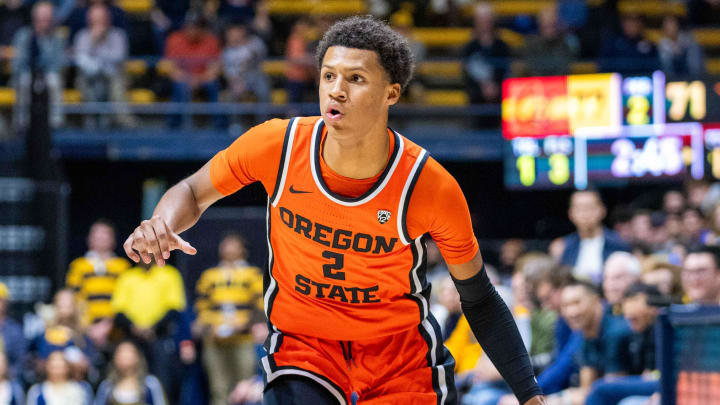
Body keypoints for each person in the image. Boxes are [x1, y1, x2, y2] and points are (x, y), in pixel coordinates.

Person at [122, 16, 545, 405]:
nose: (336, 90)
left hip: (398, 355)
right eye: (328, 76)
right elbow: (193, 192)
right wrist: (160, 222)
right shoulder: (276, 146)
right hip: (304, 346)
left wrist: (530, 395)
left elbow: (480, 298)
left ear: (391, 93)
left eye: (355, 78)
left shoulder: (429, 186)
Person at [195, 233, 264, 405]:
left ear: (243, 249)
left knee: (245, 388)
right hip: (215, 339)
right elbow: (201, 305)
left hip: (243, 340)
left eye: (233, 244)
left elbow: (261, 305)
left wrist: (244, 324)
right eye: (225, 244)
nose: (228, 248)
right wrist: (210, 325)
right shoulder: (209, 275)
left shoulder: (253, 274)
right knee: (218, 389)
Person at [545, 279, 632, 405]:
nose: (571, 312)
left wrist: (560, 400)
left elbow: (610, 391)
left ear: (596, 301)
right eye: (565, 306)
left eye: (577, 303)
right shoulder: (584, 334)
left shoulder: (616, 331)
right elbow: (586, 388)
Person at [111, 260, 187, 403]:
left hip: (160, 337)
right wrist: (135, 327)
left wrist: (153, 328)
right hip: (133, 338)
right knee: (127, 378)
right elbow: (118, 311)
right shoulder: (127, 276)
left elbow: (174, 309)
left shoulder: (170, 274)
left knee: (164, 382)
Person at [583, 283, 662, 405]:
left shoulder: (664, 329)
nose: (629, 308)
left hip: (664, 383)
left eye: (635, 300)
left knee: (600, 389)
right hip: (648, 382)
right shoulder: (636, 334)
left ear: (653, 308)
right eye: (626, 301)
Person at [66, 219, 131, 348]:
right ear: (89, 239)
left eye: (105, 234)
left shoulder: (123, 266)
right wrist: (88, 327)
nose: (100, 237)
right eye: (96, 234)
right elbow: (75, 297)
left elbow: (125, 300)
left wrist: (108, 324)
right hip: (85, 333)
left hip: (116, 332)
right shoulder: (78, 266)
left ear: (113, 240)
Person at [73, 3, 134, 129]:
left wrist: (98, 54)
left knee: (117, 82)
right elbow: (80, 60)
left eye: (101, 19)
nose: (98, 23)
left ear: (108, 19)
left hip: (112, 76)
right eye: (95, 19)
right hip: (89, 77)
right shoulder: (82, 36)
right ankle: (92, 121)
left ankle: (123, 122)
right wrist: (93, 42)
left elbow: (119, 57)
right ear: (89, 20)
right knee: (86, 82)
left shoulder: (118, 35)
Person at [11, 1, 65, 130]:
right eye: (41, 19)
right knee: (25, 80)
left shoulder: (57, 38)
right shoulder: (23, 35)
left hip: (48, 74)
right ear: (34, 18)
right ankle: (23, 123)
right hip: (27, 73)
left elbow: (58, 63)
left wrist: (42, 72)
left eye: (47, 19)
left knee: (54, 80)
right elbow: (18, 63)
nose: (43, 22)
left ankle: (54, 123)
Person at [164, 12, 222, 128]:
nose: (192, 30)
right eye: (189, 26)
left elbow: (215, 69)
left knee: (213, 85)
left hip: (203, 79)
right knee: (179, 87)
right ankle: (173, 125)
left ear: (202, 29)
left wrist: (198, 80)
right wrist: (188, 79)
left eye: (196, 27)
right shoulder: (174, 39)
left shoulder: (211, 40)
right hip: (183, 78)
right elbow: (170, 68)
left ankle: (219, 125)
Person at [560, 190, 631, 285]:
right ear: (571, 213)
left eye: (589, 208)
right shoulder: (566, 246)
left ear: (602, 210)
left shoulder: (618, 244)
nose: (584, 214)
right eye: (579, 208)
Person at [461, 2, 509, 105]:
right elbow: (466, 76)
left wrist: (496, 87)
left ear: (493, 21)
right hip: (476, 103)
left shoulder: (503, 47)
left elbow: (507, 72)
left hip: (500, 101)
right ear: (476, 22)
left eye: (487, 20)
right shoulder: (469, 48)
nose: (485, 24)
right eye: (481, 20)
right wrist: (482, 88)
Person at [94, 341, 167, 405]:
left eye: (129, 352)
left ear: (138, 357)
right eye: (120, 352)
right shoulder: (107, 387)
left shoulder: (151, 384)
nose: (124, 355)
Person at [518, 6, 577, 77]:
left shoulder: (567, 44)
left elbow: (567, 67)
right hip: (536, 83)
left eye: (552, 24)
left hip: (560, 83)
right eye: (546, 25)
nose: (549, 29)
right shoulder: (530, 44)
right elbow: (529, 67)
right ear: (539, 24)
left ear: (558, 24)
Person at [26, 350, 93, 405]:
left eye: (60, 364)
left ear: (67, 367)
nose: (57, 368)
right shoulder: (37, 391)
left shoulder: (82, 388)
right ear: (47, 366)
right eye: (54, 365)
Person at [0, 282, 27, 381]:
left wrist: (5, 376)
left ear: (6, 303)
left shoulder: (14, 330)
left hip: (8, 382)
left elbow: (20, 362)